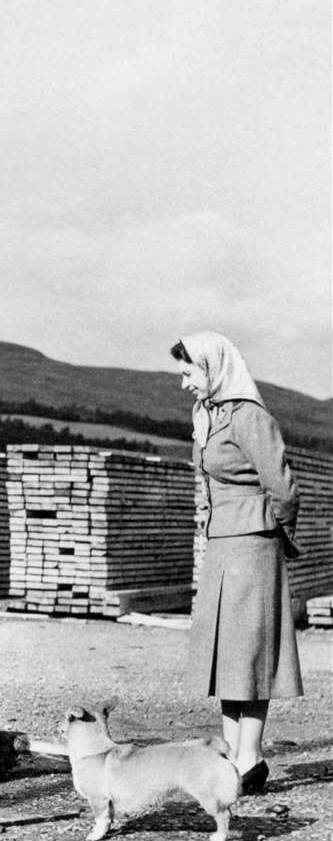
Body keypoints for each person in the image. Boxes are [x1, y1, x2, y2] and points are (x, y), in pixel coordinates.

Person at [172, 330, 302, 796]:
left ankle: (252, 755)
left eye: (190, 373)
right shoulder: (205, 414)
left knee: (250, 651)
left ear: (214, 367)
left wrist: (274, 537)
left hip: (253, 542)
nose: (185, 383)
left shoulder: (250, 417)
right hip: (223, 544)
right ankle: (230, 754)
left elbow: (284, 488)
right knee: (225, 653)